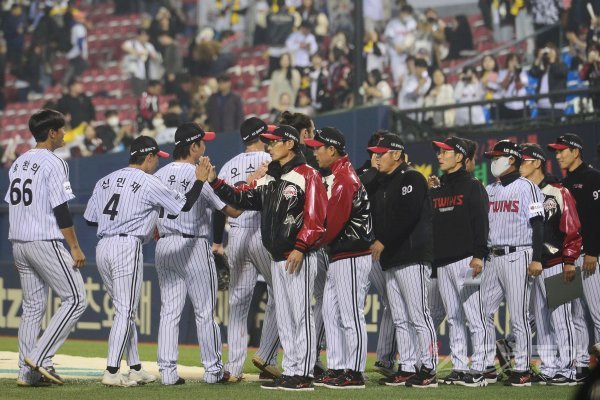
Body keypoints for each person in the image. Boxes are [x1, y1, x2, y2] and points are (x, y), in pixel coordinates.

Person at [201, 125, 327, 391]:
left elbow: (316, 219)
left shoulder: (308, 174)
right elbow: (244, 198)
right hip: (276, 256)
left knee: (300, 314)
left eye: (274, 142)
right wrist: (214, 181)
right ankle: (292, 369)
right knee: (284, 315)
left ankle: (303, 373)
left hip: (298, 256)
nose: (269, 146)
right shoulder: (271, 177)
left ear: (290, 144)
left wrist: (301, 247)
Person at [83, 136, 211, 387]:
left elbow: (89, 218)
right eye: (156, 158)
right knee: (125, 310)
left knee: (124, 309)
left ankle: (135, 367)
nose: (156, 164)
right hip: (126, 246)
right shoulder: (148, 181)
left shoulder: (105, 180)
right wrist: (199, 181)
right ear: (150, 156)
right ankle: (111, 370)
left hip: (103, 246)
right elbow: (181, 207)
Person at [154, 123, 241, 385]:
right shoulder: (197, 175)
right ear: (194, 146)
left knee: (169, 312)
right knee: (204, 312)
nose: (205, 146)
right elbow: (232, 212)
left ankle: (168, 373)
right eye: (203, 142)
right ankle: (213, 371)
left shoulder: (158, 174)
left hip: (165, 246)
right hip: (193, 247)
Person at [6, 109, 87, 387]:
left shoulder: (18, 162)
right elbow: (61, 209)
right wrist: (74, 247)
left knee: (32, 307)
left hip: (19, 242)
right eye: (61, 129)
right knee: (76, 298)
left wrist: (18, 246)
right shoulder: (54, 162)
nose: (64, 133)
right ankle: (39, 358)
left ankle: (25, 372)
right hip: (43, 240)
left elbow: (13, 205)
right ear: (51, 133)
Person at [366, 134, 438, 388]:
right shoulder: (381, 182)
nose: (376, 157)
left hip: (412, 255)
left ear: (396, 154)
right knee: (399, 317)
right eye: (374, 153)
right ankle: (407, 366)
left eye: (381, 153)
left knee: (419, 314)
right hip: (391, 259)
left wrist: (383, 240)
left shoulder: (412, 177)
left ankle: (428, 366)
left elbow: (407, 216)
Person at [212, 118, 281, 382]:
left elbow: (220, 208)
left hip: (237, 235)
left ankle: (234, 367)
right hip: (262, 233)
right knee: (279, 293)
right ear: (263, 135)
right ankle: (268, 358)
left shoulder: (229, 165)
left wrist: (217, 242)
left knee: (238, 304)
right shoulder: (271, 160)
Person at [305, 127, 374, 389]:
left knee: (350, 314)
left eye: (318, 147)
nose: (314, 151)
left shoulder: (344, 177)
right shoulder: (337, 174)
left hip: (353, 254)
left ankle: (354, 372)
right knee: (331, 311)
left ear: (331, 150)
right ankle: (337, 366)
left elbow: (333, 223)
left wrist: (309, 243)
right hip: (341, 254)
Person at [480, 140, 545, 386]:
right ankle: (486, 365)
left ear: (511, 160)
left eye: (496, 157)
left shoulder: (527, 187)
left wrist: (537, 258)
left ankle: (523, 368)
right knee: (482, 310)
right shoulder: (491, 189)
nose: (492, 161)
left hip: (520, 254)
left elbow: (538, 224)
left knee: (518, 315)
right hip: (493, 256)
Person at [429, 137, 490, 386]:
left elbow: (481, 223)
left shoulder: (473, 186)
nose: (440, 156)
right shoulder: (439, 187)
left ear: (460, 157)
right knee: (453, 317)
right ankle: (460, 366)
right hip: (443, 261)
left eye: (446, 152)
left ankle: (481, 368)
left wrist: (479, 255)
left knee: (475, 315)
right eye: (440, 152)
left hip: (467, 260)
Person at [518, 143, 581, 385]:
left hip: (557, 261)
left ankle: (568, 369)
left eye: (523, 161)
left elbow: (573, 229)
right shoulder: (521, 191)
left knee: (562, 318)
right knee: (541, 318)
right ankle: (548, 366)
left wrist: (569, 261)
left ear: (536, 162)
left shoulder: (558, 190)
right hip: (534, 264)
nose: (519, 165)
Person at [548, 133, 600, 382]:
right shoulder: (563, 182)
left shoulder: (593, 177)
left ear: (576, 151)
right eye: (556, 152)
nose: (558, 155)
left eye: (562, 151)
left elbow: (596, 218)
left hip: (590, 255)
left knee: (597, 311)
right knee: (576, 313)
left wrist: (593, 251)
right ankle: (579, 365)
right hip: (569, 257)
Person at [356, 130, 398, 378]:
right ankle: (319, 354)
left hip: (383, 249)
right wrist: (374, 169)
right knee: (347, 305)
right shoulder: (359, 173)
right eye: (379, 151)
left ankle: (384, 357)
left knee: (393, 301)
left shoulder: (394, 176)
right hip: (359, 248)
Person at [529, 43, 568, 116]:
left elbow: (560, 73)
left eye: (551, 50)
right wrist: (539, 58)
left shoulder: (562, 65)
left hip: (555, 106)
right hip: (541, 107)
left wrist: (552, 60)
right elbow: (532, 73)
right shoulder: (543, 68)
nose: (549, 53)